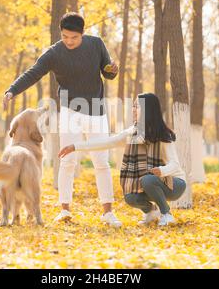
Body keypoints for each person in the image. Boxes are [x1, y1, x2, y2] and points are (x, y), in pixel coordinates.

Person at [3, 12, 122, 227]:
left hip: (96, 109)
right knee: (67, 161)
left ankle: (108, 212)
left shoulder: (96, 44)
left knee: (101, 162)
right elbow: (33, 73)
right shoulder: (54, 53)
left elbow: (108, 73)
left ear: (82, 34)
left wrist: (113, 70)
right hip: (69, 112)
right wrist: (12, 91)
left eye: (74, 38)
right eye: (65, 36)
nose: (69, 41)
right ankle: (65, 209)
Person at [58, 93, 187, 226]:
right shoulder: (131, 134)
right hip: (151, 182)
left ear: (148, 109)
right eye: (133, 106)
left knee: (147, 179)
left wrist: (162, 170)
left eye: (137, 106)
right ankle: (151, 212)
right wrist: (75, 146)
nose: (134, 110)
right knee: (131, 197)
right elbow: (106, 142)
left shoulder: (162, 134)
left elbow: (175, 165)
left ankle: (166, 214)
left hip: (175, 184)